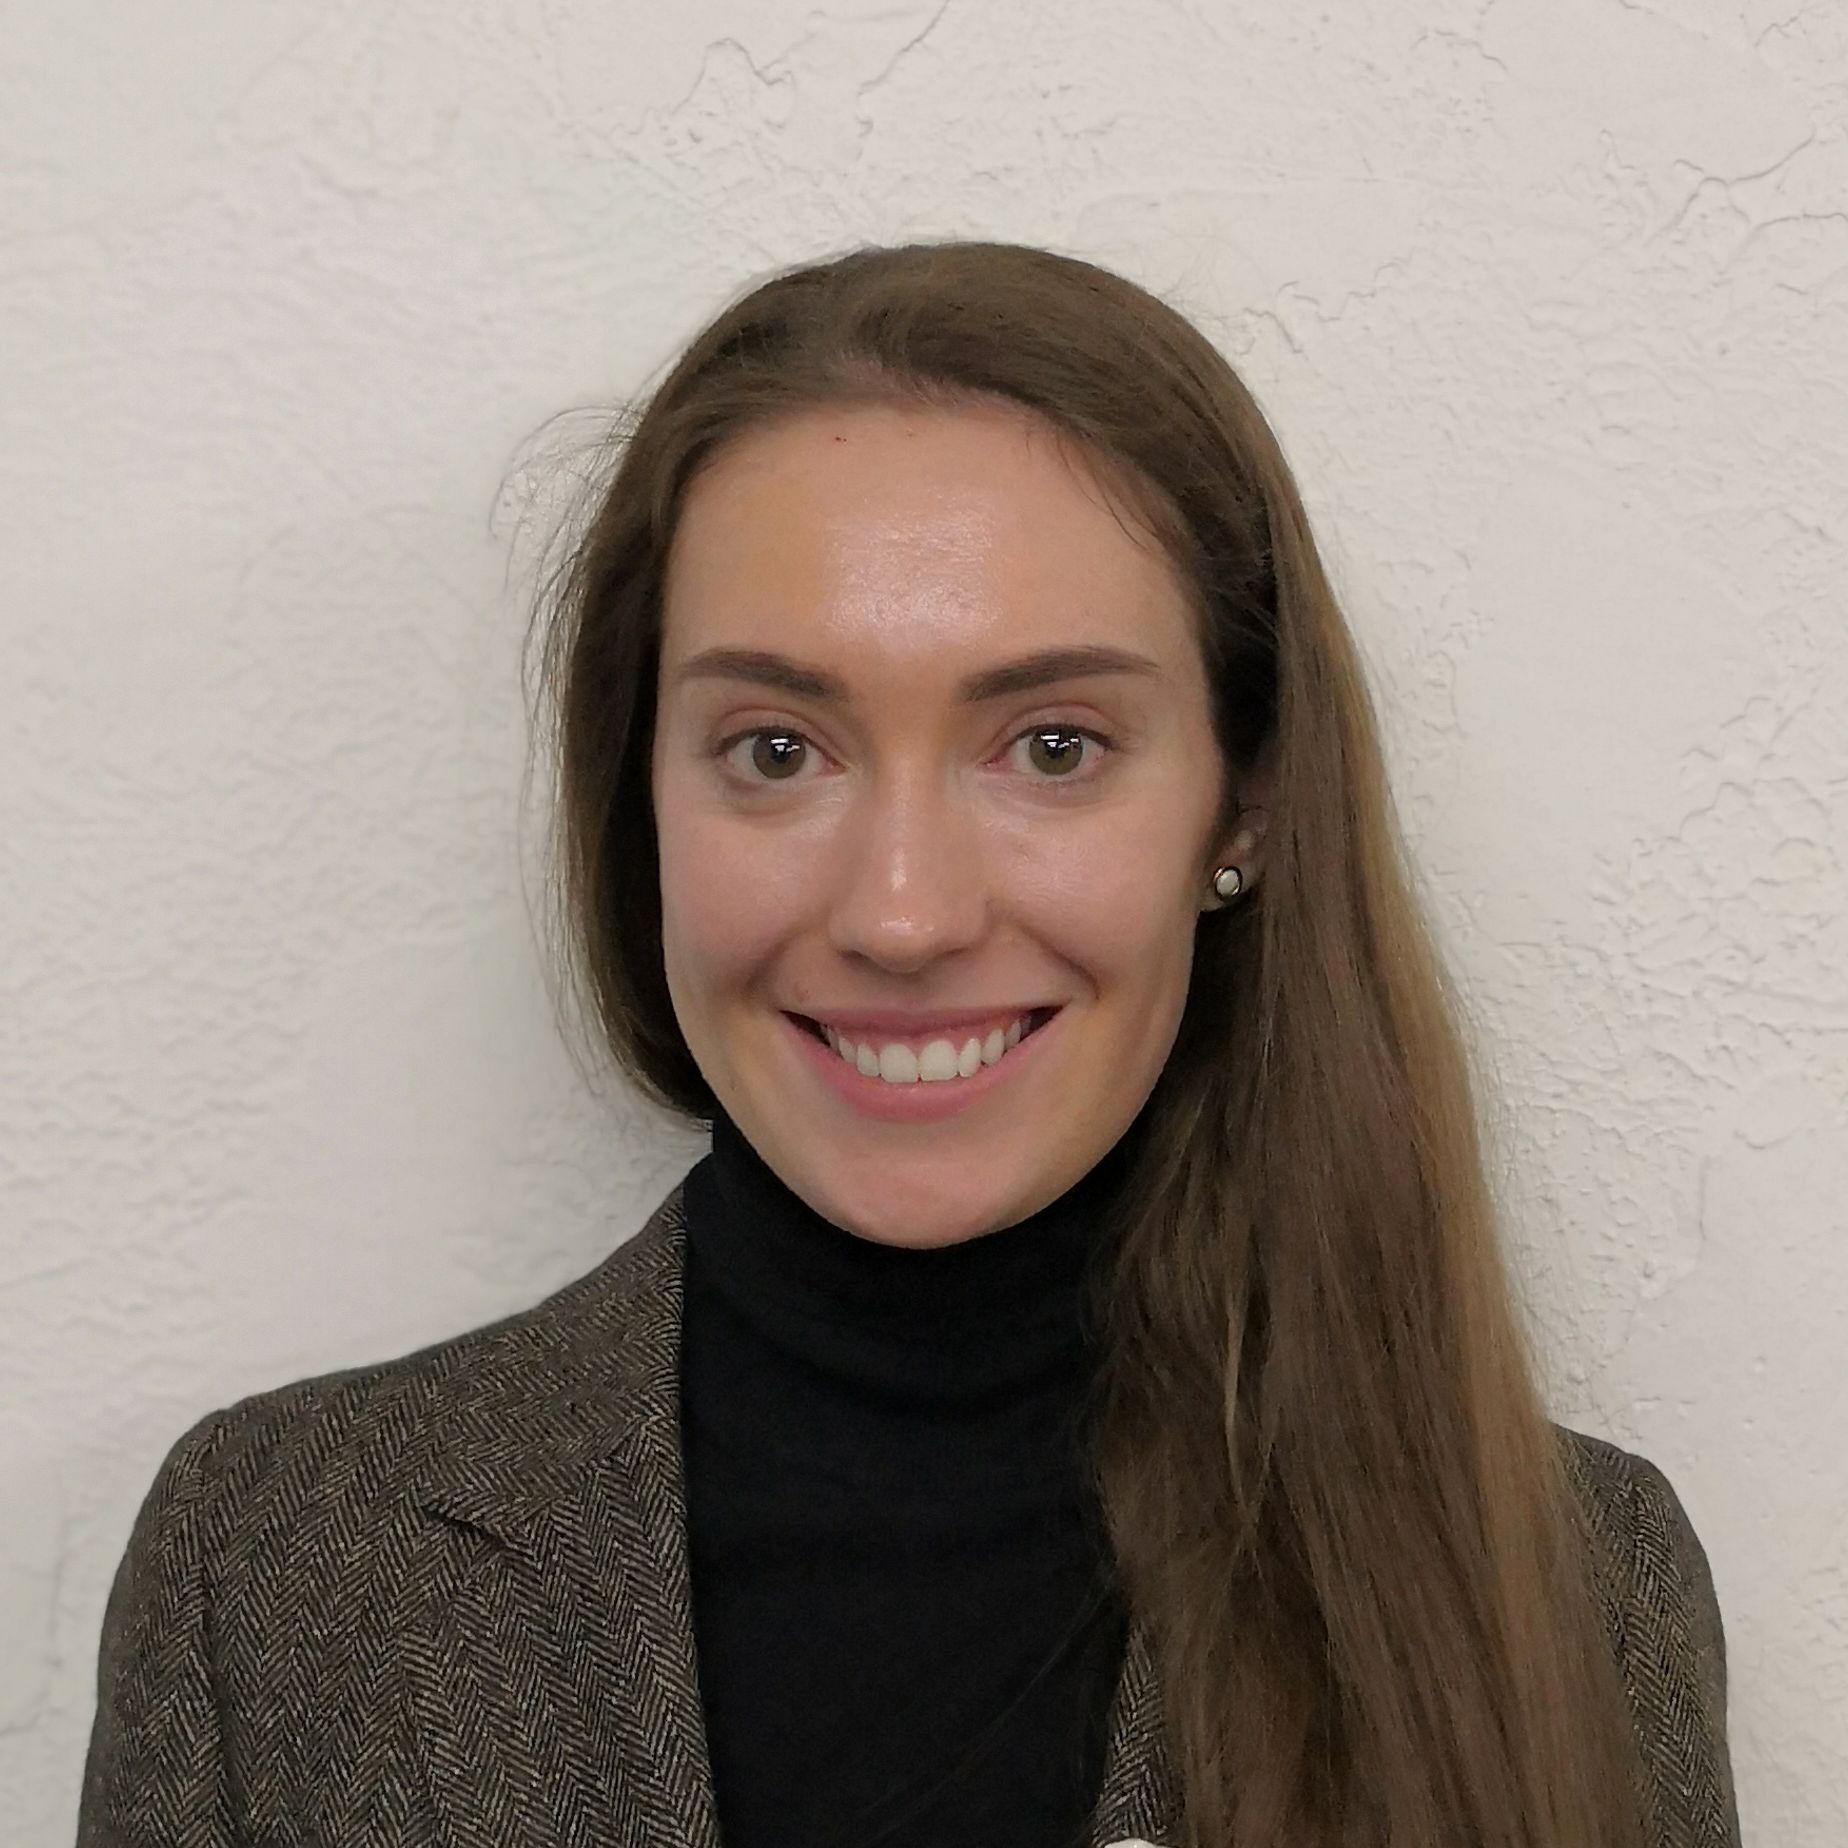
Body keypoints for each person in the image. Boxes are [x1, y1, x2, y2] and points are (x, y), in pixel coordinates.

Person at [76, 241, 1741, 1848]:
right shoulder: (276, 1571)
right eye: (777, 749)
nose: (902, 913)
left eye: (1054, 745)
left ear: (1244, 806)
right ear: (638, 797)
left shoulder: (1575, 1591)